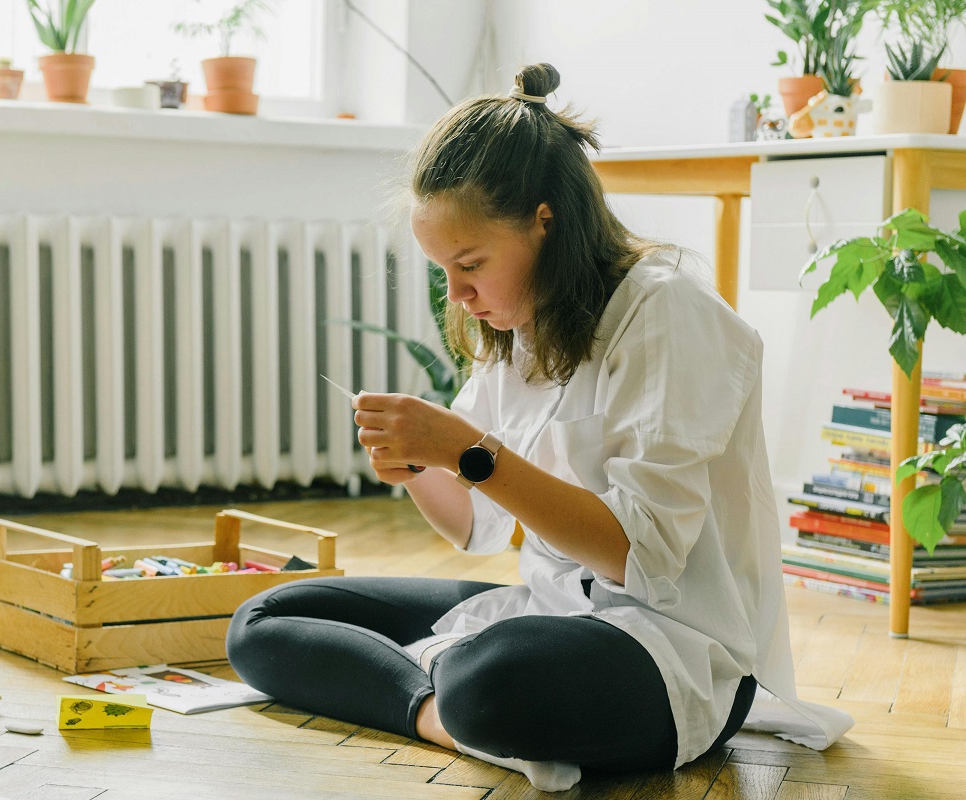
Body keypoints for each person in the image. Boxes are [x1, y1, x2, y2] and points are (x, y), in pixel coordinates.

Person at [226, 63, 852, 792]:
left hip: (674, 648)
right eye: (443, 271)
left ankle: (443, 695)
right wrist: (416, 466)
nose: (458, 293)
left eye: (470, 265)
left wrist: (464, 448)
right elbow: (474, 528)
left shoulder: (665, 312)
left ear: (544, 222)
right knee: (263, 619)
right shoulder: (519, 327)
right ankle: (438, 711)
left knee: (493, 676)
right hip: (551, 611)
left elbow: (637, 556)